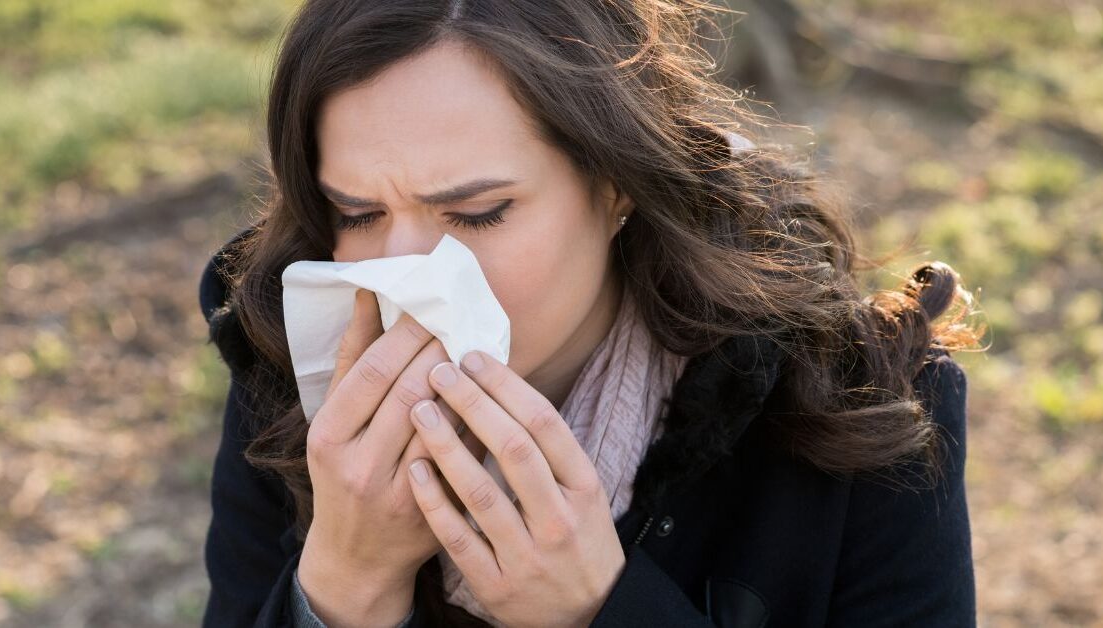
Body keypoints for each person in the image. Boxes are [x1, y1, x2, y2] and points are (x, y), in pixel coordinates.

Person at [198, 0, 980, 626]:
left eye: (477, 214)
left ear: (616, 186)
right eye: (357, 213)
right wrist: (345, 584)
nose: (403, 276)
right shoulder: (294, 381)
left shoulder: (862, 405)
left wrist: (599, 611)